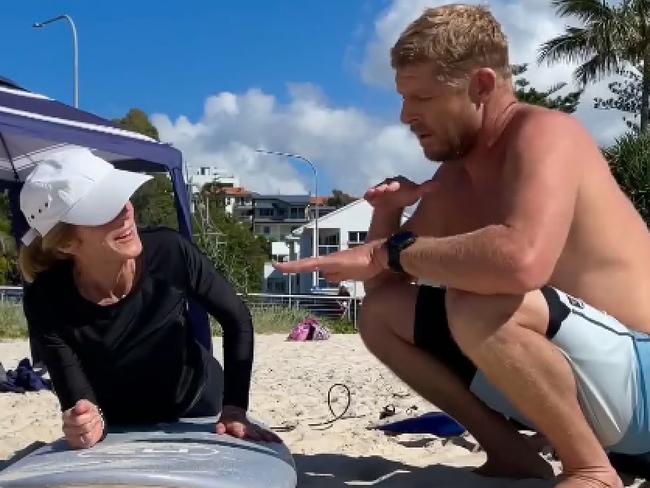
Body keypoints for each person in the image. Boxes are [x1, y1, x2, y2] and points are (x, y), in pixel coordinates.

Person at [274, 4, 650, 487]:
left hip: (640, 384)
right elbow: (384, 285)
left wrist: (387, 251)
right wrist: (387, 215)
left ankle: (591, 471)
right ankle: (513, 455)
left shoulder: (545, 134)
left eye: (423, 97)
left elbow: (521, 261)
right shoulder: (455, 179)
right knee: (383, 313)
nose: (407, 115)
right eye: (404, 98)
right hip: (589, 395)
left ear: (482, 86)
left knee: (477, 297)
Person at [19, 146, 280, 450]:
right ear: (66, 244)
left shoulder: (170, 252)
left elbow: (236, 318)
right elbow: (78, 397)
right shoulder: (46, 297)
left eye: (120, 197)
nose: (127, 210)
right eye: (105, 208)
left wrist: (235, 407)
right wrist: (83, 421)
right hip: (117, 419)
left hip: (198, 401)